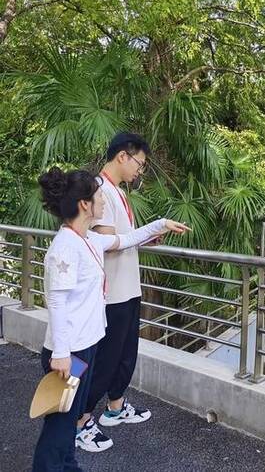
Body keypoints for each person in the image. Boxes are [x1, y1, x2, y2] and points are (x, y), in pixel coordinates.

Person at [32, 166, 189, 471]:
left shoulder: (89, 240)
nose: (104, 202)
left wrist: (160, 225)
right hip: (69, 353)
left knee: (69, 419)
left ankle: (67, 465)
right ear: (84, 205)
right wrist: (62, 354)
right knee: (60, 425)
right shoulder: (64, 248)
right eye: (99, 197)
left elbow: (126, 240)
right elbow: (57, 301)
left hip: (86, 347)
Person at [77, 133, 156, 452]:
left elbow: (123, 237)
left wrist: (146, 237)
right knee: (105, 360)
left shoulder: (116, 191)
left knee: (125, 355)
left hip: (127, 288)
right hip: (110, 294)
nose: (140, 170)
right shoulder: (99, 190)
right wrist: (152, 229)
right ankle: (79, 421)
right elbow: (107, 243)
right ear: (123, 156)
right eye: (140, 163)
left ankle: (115, 408)